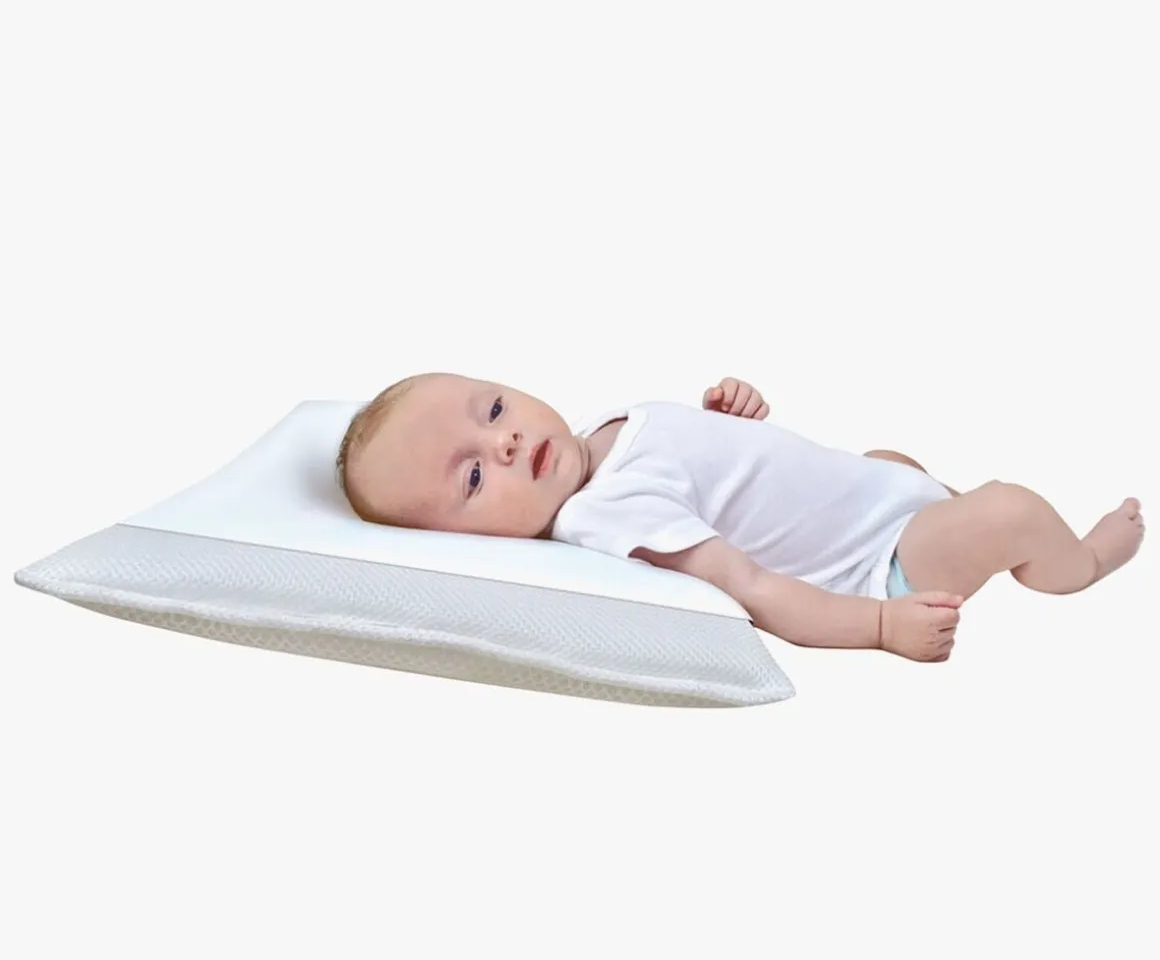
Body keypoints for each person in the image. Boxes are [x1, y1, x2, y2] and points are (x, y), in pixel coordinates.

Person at [335, 373, 1145, 663]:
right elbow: (750, 586)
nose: (506, 440)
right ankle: (1075, 564)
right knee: (1008, 508)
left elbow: (725, 474)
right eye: (475, 475)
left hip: (878, 497)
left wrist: (731, 423)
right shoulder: (607, 518)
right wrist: (879, 626)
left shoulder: (601, 437)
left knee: (891, 459)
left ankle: (957, 510)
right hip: (877, 565)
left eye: (493, 408)